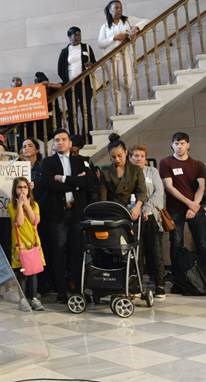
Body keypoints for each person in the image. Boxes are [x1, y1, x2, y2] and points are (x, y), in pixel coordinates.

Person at [40, 129, 91, 303]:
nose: (60, 142)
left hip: (76, 214)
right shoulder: (47, 162)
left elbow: (88, 182)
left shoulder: (82, 161)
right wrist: (75, 183)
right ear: (53, 144)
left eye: (63, 139)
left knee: (76, 251)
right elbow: (49, 185)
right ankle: (61, 291)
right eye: (56, 140)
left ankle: (77, 287)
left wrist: (62, 179)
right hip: (57, 214)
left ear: (70, 143)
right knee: (58, 251)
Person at [159, 132, 206, 274]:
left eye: (182, 143)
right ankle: (178, 277)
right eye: (176, 143)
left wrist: (194, 205)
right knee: (177, 242)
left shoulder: (198, 165)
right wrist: (190, 203)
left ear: (188, 145)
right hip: (175, 209)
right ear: (172, 145)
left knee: (202, 243)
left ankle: (203, 276)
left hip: (196, 208)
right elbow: (169, 187)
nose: (179, 146)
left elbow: (202, 187)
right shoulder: (166, 162)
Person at [98, 0, 148, 114]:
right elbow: (100, 43)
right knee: (115, 85)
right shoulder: (105, 26)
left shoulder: (127, 20)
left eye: (120, 8)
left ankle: (131, 104)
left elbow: (146, 21)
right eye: (116, 8)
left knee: (129, 81)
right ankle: (118, 110)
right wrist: (114, 38)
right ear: (110, 10)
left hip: (124, 55)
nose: (118, 10)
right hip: (110, 58)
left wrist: (136, 28)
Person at [130, 144, 166, 299]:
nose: (139, 159)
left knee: (155, 251)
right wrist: (135, 210)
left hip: (151, 217)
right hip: (133, 216)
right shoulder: (127, 174)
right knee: (137, 253)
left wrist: (146, 209)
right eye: (136, 156)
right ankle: (136, 286)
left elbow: (159, 192)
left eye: (142, 156)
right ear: (130, 157)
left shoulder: (153, 171)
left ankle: (159, 285)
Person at [8, 177, 45, 311]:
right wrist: (19, 205)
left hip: (33, 243)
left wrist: (28, 205)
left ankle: (34, 298)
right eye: (19, 187)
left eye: (25, 187)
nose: (22, 190)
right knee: (22, 272)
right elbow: (20, 222)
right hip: (20, 243)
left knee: (33, 271)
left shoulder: (35, 205)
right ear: (15, 190)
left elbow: (35, 220)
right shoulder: (11, 206)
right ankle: (23, 299)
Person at [58, 26, 96, 139]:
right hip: (71, 86)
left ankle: (87, 135)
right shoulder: (65, 51)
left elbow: (94, 62)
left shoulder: (87, 47)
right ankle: (74, 137)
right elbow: (60, 69)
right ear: (69, 37)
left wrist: (91, 65)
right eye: (75, 35)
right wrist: (68, 82)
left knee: (86, 111)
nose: (77, 37)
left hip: (85, 84)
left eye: (79, 35)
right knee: (72, 112)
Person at [98, 134, 147, 221]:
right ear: (109, 157)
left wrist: (137, 207)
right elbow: (103, 198)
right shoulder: (105, 172)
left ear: (126, 152)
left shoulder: (136, 170)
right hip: (112, 210)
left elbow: (142, 192)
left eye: (120, 155)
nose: (117, 159)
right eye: (113, 157)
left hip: (131, 209)